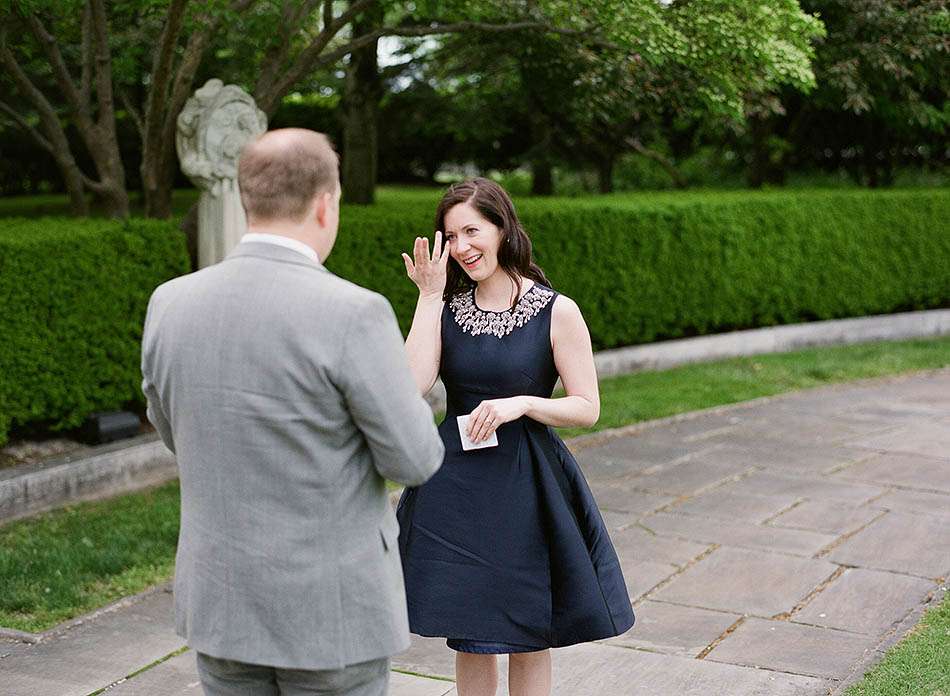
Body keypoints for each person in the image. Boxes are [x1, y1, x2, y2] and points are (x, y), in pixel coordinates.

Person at [141, 128, 444, 696]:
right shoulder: (354, 312)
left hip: (221, 600)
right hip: (329, 612)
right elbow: (414, 459)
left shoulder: (170, 302)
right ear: (325, 205)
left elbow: (172, 429)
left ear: (245, 198)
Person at [396, 178, 635, 696]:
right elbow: (411, 385)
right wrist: (429, 296)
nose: (460, 247)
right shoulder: (447, 307)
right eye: (450, 235)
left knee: (529, 628)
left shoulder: (557, 310)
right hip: (457, 484)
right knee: (470, 629)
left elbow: (587, 407)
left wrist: (524, 403)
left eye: (471, 231)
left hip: (528, 485)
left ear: (503, 228)